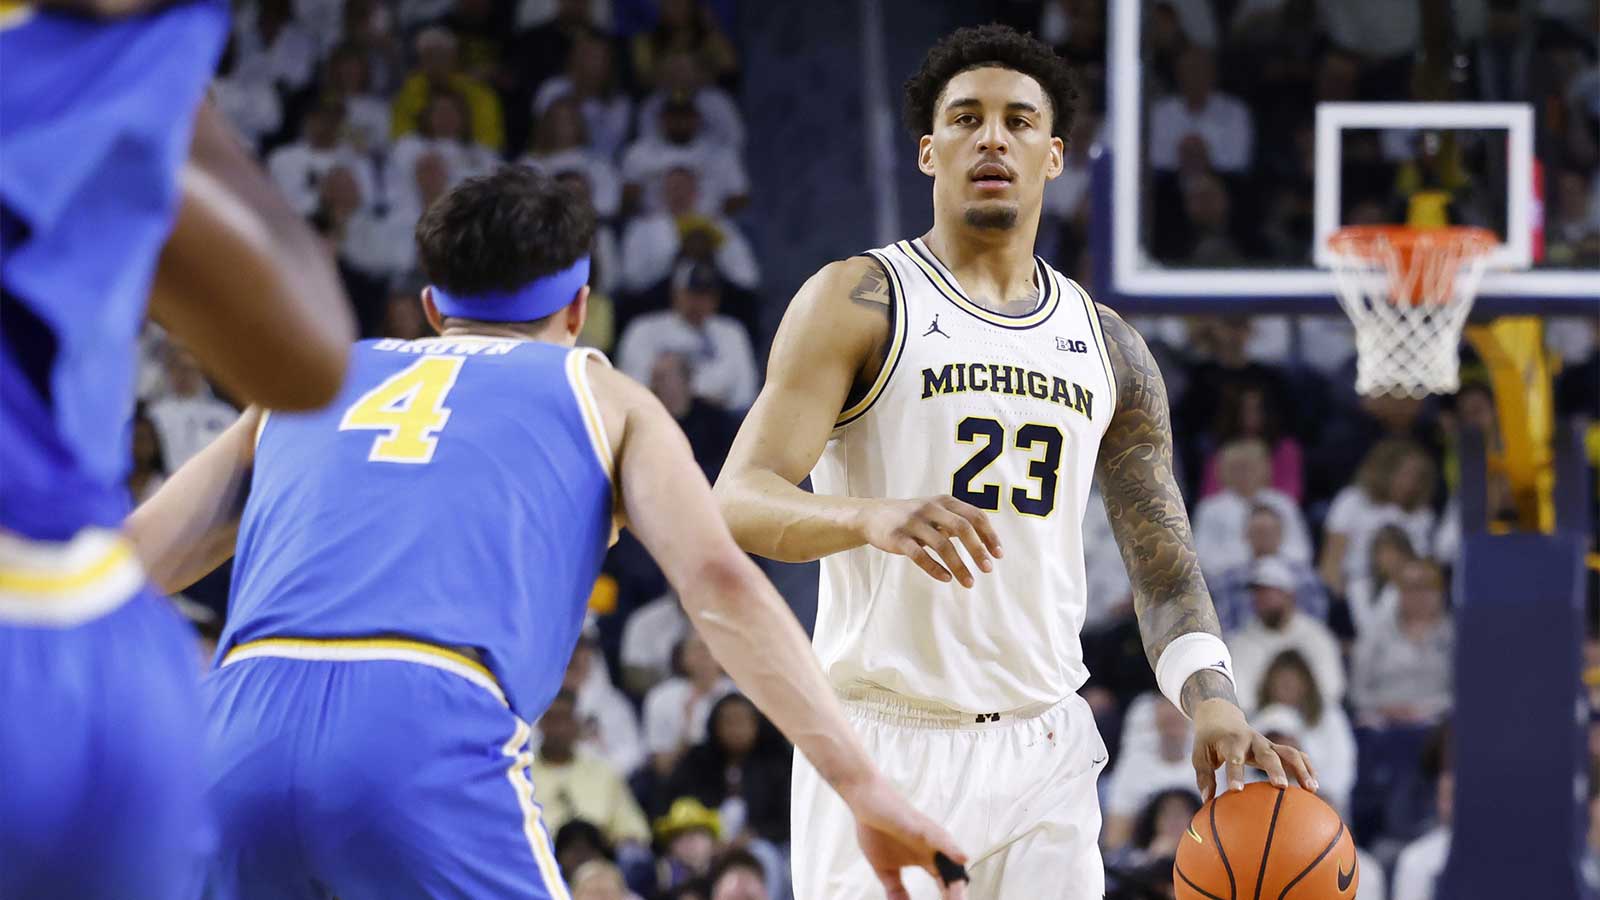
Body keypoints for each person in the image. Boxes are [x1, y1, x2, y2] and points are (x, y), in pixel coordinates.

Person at [126, 167, 969, 898]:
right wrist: (862, 785)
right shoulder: (600, 393)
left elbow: (124, 567)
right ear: (579, 307)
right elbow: (718, 582)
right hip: (421, 725)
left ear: (429, 306)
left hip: (232, 733)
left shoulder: (313, 381)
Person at [712, 25, 1314, 898]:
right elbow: (736, 499)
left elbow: (1164, 563)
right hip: (886, 736)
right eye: (966, 118)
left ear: (1055, 155)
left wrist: (1213, 699)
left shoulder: (1109, 347)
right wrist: (867, 516)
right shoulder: (860, 298)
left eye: (1019, 121)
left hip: (1045, 748)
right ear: (928, 150)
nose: (993, 137)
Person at [0, 2, 356, 895]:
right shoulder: (122, 56)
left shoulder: (123, 49)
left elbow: (307, 365)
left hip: (88, 627)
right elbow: (306, 358)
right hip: (96, 640)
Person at [614, 261, 758, 412]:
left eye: (707, 295)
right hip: (658, 416)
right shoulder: (644, 328)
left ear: (717, 299)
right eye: (692, 294)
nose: (699, 302)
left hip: (716, 423)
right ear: (676, 293)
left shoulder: (732, 332)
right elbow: (631, 387)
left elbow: (744, 395)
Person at [531, 690, 652, 848]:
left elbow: (633, 827)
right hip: (538, 860)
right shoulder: (521, 774)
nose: (559, 729)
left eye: (566, 719)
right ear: (541, 725)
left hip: (598, 858)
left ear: (577, 725)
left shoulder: (603, 772)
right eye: (553, 720)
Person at [1319, 438, 1438, 595]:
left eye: (1418, 478)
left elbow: (1425, 567)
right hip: (1352, 589)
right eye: (1405, 474)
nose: (1411, 484)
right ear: (1384, 471)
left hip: (1402, 595)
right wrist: (1339, 599)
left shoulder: (1423, 515)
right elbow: (1331, 562)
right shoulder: (1352, 500)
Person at [1227, 556, 1345, 713]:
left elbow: (1332, 688)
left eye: (1269, 592)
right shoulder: (1241, 642)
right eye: (1257, 593)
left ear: (1289, 595)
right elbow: (1239, 697)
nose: (1261, 599)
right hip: (1261, 726)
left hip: (1312, 722)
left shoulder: (1316, 636)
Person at [1350, 559, 1455, 728]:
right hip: (1382, 722)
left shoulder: (1454, 635)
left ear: (1441, 591)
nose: (1418, 595)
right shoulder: (1374, 633)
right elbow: (1358, 691)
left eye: (1426, 586)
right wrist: (1385, 708)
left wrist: (1423, 709)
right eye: (1410, 587)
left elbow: (1462, 692)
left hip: (1437, 722)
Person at [1191, 438, 1312, 582]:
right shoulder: (1209, 508)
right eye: (1238, 468)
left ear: (1265, 468)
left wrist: (1268, 565)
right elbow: (1201, 556)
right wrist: (1246, 565)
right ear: (1223, 470)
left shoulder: (1283, 504)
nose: (1245, 473)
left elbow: (1301, 551)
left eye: (1251, 467)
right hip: (1226, 580)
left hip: (1280, 579)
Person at [1256, 649, 1357, 817]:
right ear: (1268, 683)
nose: (1287, 685)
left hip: (1321, 805)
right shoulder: (1256, 721)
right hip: (1264, 807)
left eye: (1293, 679)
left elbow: (1342, 771)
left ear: (1306, 683)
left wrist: (1315, 794)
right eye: (1281, 679)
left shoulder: (1330, 716)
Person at [1208, 505, 1328, 633]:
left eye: (1270, 532)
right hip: (1243, 644)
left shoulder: (1305, 578)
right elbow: (1221, 625)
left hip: (1294, 643)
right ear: (1246, 534)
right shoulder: (1226, 580)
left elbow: (1316, 623)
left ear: (1281, 534)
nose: (1264, 537)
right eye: (1259, 531)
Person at [1101, 697, 1200, 851]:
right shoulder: (1133, 768)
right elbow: (1113, 843)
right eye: (1166, 707)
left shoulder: (1211, 765)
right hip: (1146, 862)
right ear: (1154, 717)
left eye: (1177, 711)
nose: (1172, 714)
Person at [643, 631, 737, 777]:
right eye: (698, 648)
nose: (705, 655)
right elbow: (662, 767)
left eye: (712, 648)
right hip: (685, 779)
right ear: (684, 657)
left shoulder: (741, 695)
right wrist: (686, 729)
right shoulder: (661, 698)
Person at [147, 344, 240, 470]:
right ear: (169, 371)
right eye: (179, 369)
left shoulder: (225, 415)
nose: (184, 376)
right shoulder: (154, 414)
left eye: (190, 369)